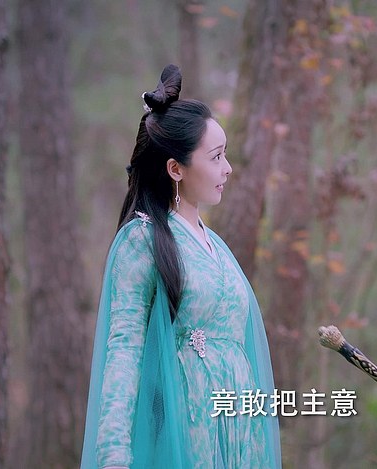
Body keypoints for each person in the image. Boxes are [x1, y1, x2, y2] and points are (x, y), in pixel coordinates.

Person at [80, 64, 281, 469]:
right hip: (185, 433)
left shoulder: (216, 247)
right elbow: (124, 347)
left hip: (239, 435)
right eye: (216, 157)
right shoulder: (142, 241)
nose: (227, 168)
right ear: (176, 168)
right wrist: (113, 452)